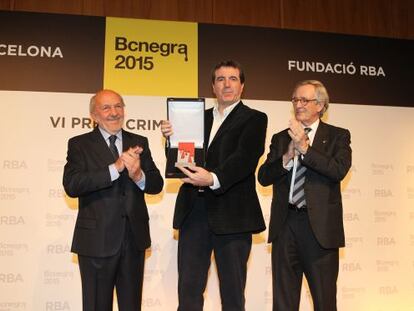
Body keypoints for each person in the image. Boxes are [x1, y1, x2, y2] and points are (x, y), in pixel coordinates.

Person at [161, 60, 267, 310]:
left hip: (233, 215)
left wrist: (212, 178)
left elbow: (245, 158)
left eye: (232, 79)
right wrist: (171, 141)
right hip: (193, 211)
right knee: (188, 290)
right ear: (213, 86)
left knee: (232, 293)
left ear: (242, 86)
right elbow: (182, 159)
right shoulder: (196, 117)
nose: (226, 84)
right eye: (220, 79)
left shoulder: (255, 118)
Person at [63, 89, 163, 311]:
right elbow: (72, 185)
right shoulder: (80, 144)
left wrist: (138, 175)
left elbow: (156, 185)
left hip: (133, 240)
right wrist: (115, 168)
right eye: (106, 107)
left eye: (118, 106)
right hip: (96, 241)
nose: (114, 112)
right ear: (94, 115)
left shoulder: (139, 141)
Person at [258, 80, 352, 310]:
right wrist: (287, 158)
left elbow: (338, 170)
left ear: (320, 105)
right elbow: (263, 176)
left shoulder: (338, 136)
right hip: (285, 225)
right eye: (295, 100)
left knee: (324, 300)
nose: (298, 104)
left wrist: (306, 149)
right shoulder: (281, 138)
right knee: (283, 302)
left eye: (304, 100)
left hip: (319, 230)